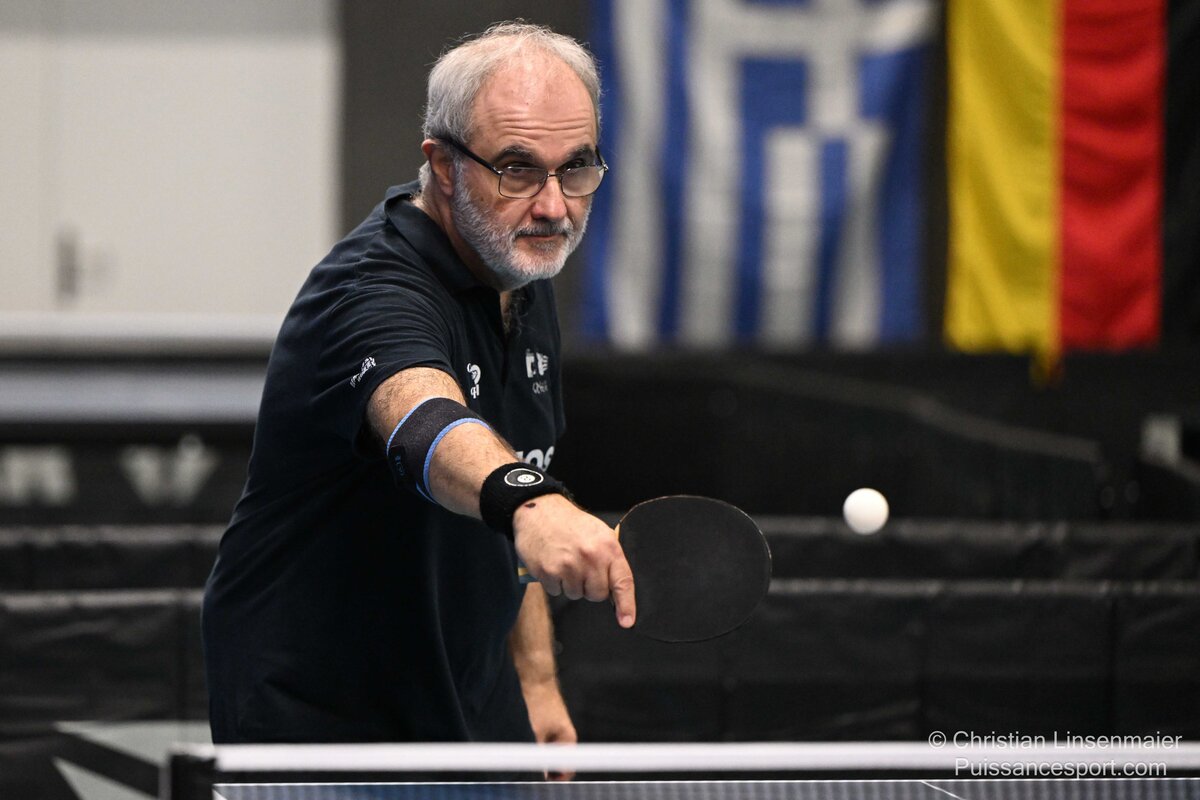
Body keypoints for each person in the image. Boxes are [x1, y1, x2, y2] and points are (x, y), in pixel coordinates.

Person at [202, 21, 635, 748]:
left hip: (469, 702)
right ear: (443, 164)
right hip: (321, 721)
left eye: (576, 169)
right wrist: (532, 504)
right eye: (518, 169)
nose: (554, 206)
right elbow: (423, 418)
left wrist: (535, 679)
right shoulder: (369, 289)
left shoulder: (521, 274)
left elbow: (515, 479)